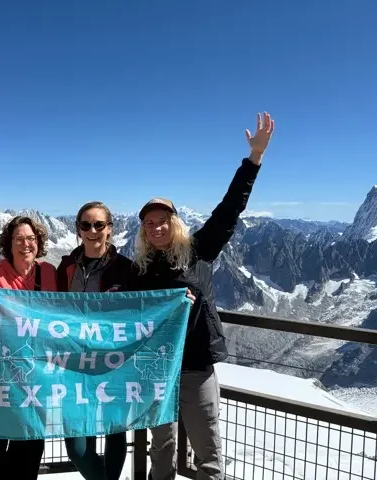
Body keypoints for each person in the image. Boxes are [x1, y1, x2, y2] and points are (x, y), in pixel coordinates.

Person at [130, 112, 275, 480]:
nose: (156, 226)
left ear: (174, 222)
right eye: (149, 223)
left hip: (195, 365)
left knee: (208, 451)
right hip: (156, 369)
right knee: (160, 449)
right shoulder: (140, 268)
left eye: (162, 220)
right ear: (144, 231)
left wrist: (253, 159)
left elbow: (229, 210)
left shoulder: (198, 249)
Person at [56, 201, 195, 480]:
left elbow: (149, 306)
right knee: (77, 447)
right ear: (78, 229)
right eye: (86, 225)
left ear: (109, 229)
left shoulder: (128, 269)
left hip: (115, 364)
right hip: (75, 365)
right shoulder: (66, 267)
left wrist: (178, 301)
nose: (92, 230)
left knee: (114, 432)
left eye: (99, 225)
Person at [0, 215, 58, 480]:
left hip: (35, 376)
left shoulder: (49, 274)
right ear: (9, 244)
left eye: (31, 238)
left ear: (39, 242)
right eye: (19, 239)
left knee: (29, 448)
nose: (25, 244)